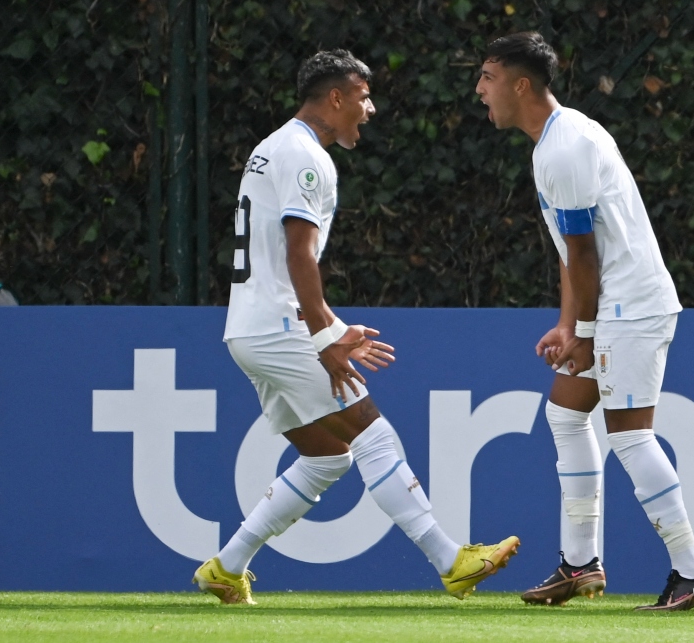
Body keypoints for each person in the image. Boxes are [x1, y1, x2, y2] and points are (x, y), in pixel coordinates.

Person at [193, 49, 520, 605]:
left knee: (328, 456)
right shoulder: (305, 156)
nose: (369, 110)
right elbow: (300, 256)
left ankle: (227, 566)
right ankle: (450, 560)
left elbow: (281, 255)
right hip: (278, 326)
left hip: (249, 327)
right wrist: (325, 337)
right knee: (373, 433)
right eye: (363, 97)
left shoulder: (272, 147)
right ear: (336, 97)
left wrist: (327, 327)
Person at [476, 31, 694, 611]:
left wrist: (582, 335)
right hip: (612, 305)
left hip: (631, 307)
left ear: (520, 84)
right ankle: (581, 564)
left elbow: (584, 256)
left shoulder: (564, 147)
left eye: (486, 78)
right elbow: (572, 253)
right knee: (564, 413)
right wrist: (569, 327)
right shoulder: (554, 141)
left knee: (631, 435)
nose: (479, 91)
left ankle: (693, 572)